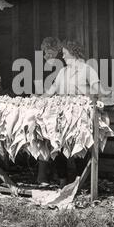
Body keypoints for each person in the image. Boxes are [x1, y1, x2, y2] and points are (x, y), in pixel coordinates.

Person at [45, 40, 104, 179]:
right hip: (62, 114)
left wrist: (83, 91)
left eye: (65, 54)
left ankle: (81, 181)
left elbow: (98, 92)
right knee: (58, 146)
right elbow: (52, 90)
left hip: (79, 115)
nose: (63, 57)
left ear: (73, 53)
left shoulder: (88, 70)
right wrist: (37, 98)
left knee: (79, 147)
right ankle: (62, 180)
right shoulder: (62, 72)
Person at [36, 37, 67, 187]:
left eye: (51, 54)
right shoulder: (40, 65)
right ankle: (42, 177)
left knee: (56, 141)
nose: (47, 57)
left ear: (58, 53)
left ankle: (61, 177)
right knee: (42, 139)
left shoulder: (62, 68)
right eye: (46, 53)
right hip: (43, 105)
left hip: (57, 107)